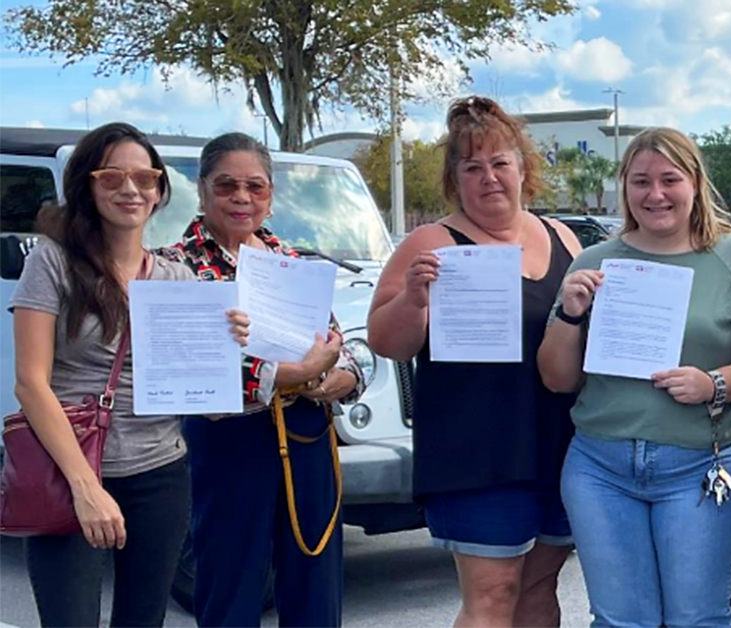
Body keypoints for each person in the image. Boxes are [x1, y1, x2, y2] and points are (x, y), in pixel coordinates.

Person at [538, 127, 731, 627]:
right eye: (640, 181)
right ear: (624, 188)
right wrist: (569, 314)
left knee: (697, 618)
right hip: (601, 467)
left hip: (701, 464)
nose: (655, 194)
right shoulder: (595, 262)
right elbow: (557, 379)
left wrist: (714, 383)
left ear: (695, 182)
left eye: (669, 179)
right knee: (620, 620)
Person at [10, 122, 246, 627]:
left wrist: (225, 349)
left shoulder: (175, 277)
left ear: (161, 190)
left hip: (159, 475)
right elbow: (30, 383)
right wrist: (86, 487)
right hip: (67, 473)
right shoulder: (53, 263)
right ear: (87, 186)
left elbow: (212, 405)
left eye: (144, 177)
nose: (130, 189)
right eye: (112, 176)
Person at [367, 96, 583, 628]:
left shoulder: (562, 237)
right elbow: (386, 341)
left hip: (560, 444)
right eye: (472, 167)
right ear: (455, 180)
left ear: (523, 169)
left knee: (538, 586)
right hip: (477, 452)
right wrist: (415, 298)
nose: (489, 178)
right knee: (492, 594)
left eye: (499, 163)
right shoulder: (432, 242)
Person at [159, 132, 364, 627]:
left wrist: (343, 376)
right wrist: (291, 374)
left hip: (308, 434)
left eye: (255, 187)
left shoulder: (290, 261)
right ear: (202, 189)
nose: (242, 198)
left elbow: (334, 342)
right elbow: (193, 365)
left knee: (316, 585)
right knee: (231, 583)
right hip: (230, 437)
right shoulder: (173, 266)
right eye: (227, 186)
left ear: (271, 195)